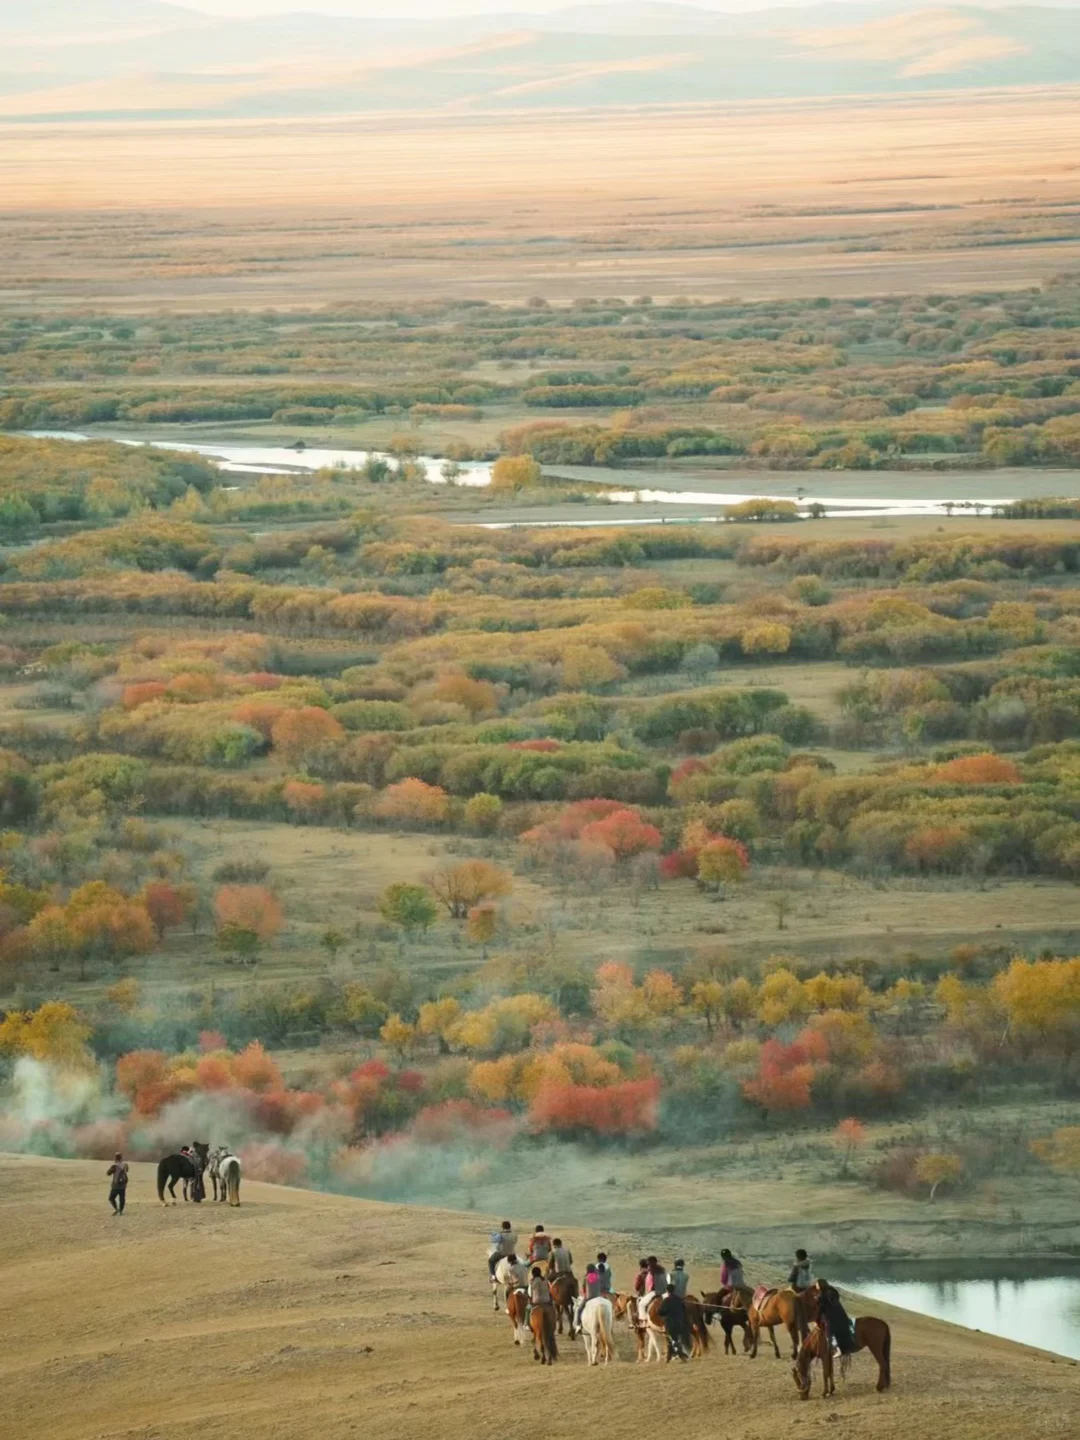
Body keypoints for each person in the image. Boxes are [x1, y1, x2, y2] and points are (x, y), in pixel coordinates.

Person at [658, 1283, 691, 1361]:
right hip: (680, 1323)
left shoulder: (666, 1300)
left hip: (670, 1324)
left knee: (673, 1340)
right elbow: (684, 1310)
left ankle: (681, 1355)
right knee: (674, 1340)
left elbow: (660, 1312)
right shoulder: (679, 1299)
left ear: (667, 1291)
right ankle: (669, 1357)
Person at [575, 1260, 604, 1330]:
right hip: (598, 1296)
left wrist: (585, 1295)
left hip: (589, 1297)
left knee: (579, 1310)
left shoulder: (586, 1278)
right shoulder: (598, 1277)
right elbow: (600, 1286)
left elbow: (584, 1289)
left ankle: (578, 1325)